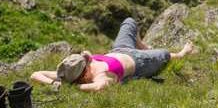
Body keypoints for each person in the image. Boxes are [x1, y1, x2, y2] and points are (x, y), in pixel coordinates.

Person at [30, 17, 194, 92]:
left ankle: (143, 46)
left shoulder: (72, 72)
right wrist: (66, 85)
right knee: (165, 54)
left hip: (119, 49)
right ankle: (182, 53)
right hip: (139, 62)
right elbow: (99, 87)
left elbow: (36, 74)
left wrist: (61, 83)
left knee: (129, 22)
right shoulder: (101, 76)